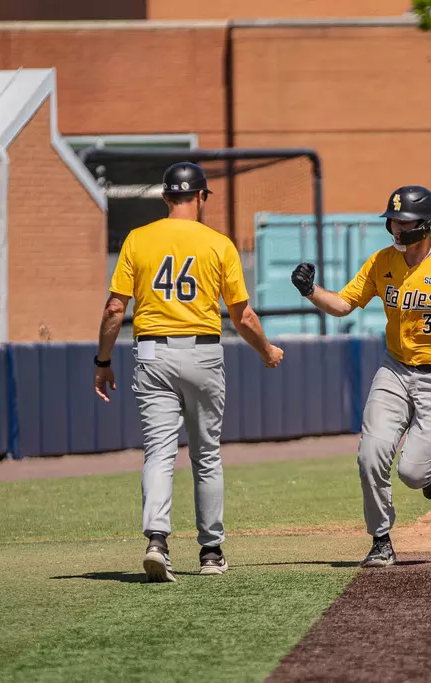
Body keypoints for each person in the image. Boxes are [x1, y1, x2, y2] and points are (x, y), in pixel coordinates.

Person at [290, 185, 431, 567]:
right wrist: (311, 290)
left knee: (413, 473)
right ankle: (381, 539)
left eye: (405, 222)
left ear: (427, 225)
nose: (396, 228)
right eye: (393, 220)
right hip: (395, 369)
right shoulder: (382, 261)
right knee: (371, 453)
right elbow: (344, 303)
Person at [94, 161, 284, 582]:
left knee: (159, 453)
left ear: (165, 198)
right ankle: (211, 551)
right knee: (207, 455)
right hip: (202, 354)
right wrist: (267, 350)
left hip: (152, 355)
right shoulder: (219, 244)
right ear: (201, 197)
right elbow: (243, 315)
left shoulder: (138, 239)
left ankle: (157, 541)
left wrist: (102, 362)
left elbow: (113, 308)